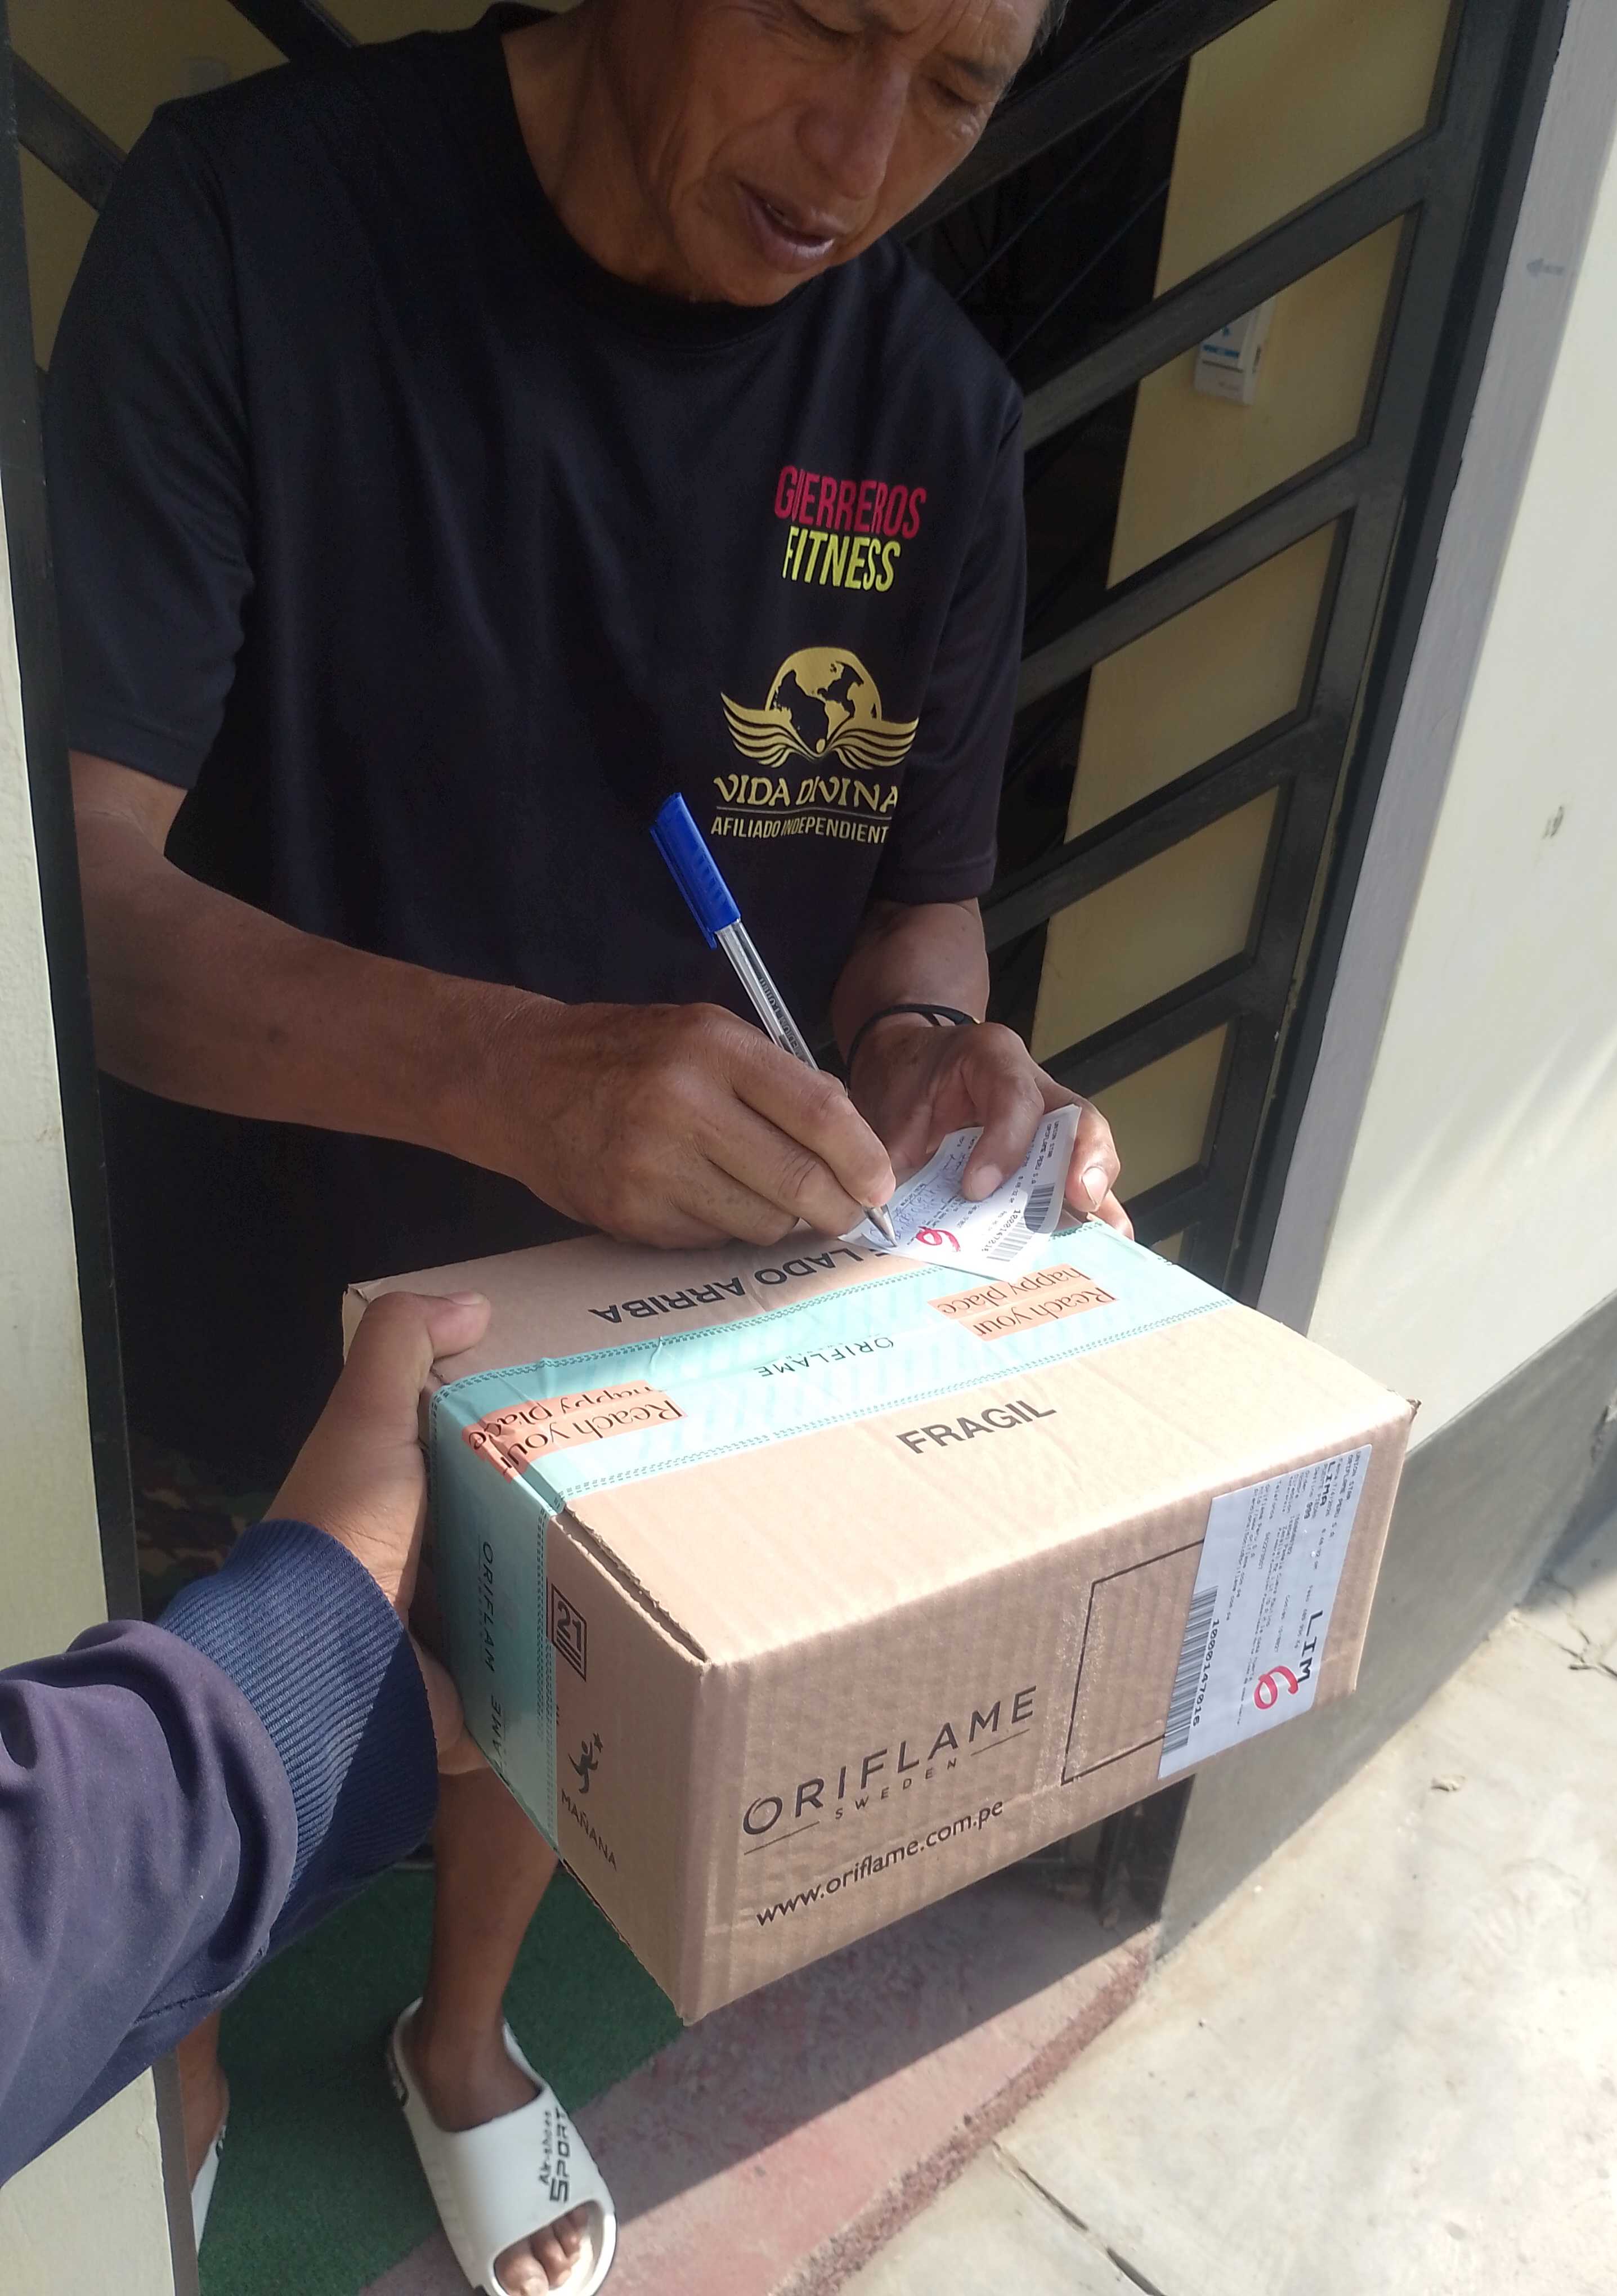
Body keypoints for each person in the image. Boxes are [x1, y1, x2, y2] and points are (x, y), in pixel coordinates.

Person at [45, 1, 1130, 2289]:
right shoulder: (251, 228)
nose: (861, 150)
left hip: (658, 1319)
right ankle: (185, 2058)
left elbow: (921, 905)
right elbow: (68, 913)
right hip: (252, 1242)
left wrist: (936, 1049)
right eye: (826, 18)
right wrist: (512, 1076)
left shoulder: (931, 413)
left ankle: (458, 2036)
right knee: (206, 1715)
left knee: (544, 1711)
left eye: (957, 88)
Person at [0, 1291, 486, 2181]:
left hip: (510, 1319)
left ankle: (464, 2034)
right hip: (204, 1325)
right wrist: (314, 1665)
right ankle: (188, 2092)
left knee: (516, 1655)